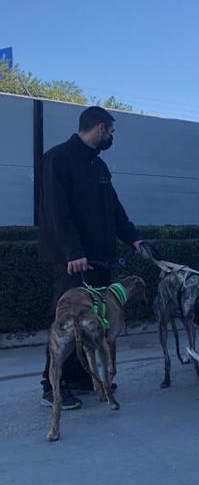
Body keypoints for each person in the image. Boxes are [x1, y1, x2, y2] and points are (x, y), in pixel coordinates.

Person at [38, 106, 144, 409]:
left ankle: (84, 377)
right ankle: (52, 385)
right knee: (67, 323)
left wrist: (135, 239)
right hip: (73, 259)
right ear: (100, 128)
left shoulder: (98, 166)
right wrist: (74, 251)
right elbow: (57, 210)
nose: (111, 136)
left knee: (95, 322)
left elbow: (115, 209)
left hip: (99, 258)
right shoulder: (58, 158)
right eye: (110, 131)